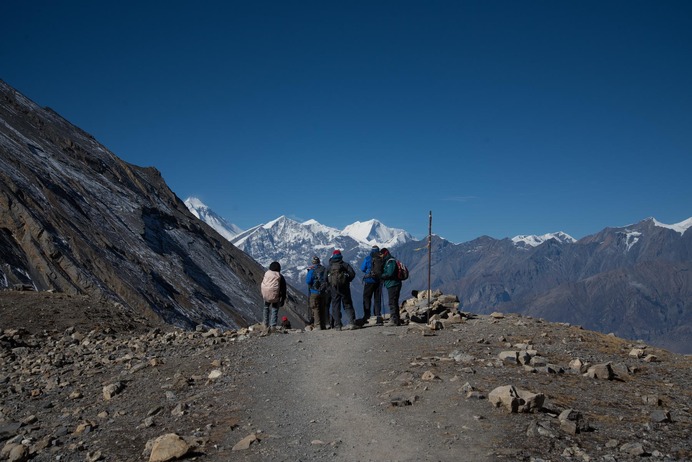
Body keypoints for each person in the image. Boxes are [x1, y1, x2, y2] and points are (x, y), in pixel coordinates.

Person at [327, 249, 357, 330]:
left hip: (334, 289)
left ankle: (338, 325)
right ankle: (352, 322)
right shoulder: (344, 264)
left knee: (336, 306)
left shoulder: (330, 266)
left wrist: (330, 285)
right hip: (345, 288)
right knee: (347, 304)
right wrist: (347, 280)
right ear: (340, 256)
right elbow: (353, 274)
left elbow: (324, 278)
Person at [359, 245, 383, 326]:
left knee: (367, 298)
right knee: (377, 298)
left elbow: (362, 268)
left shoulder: (368, 258)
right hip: (379, 281)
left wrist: (368, 272)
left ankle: (367, 315)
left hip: (369, 281)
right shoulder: (381, 258)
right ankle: (378, 315)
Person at [260, 261, 287, 331]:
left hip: (265, 295)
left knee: (266, 308)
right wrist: (283, 299)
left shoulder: (267, 273)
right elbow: (284, 289)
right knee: (274, 310)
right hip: (275, 296)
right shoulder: (280, 276)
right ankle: (273, 326)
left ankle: (265, 324)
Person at [380, 248, 402, 326]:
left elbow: (390, 273)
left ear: (385, 253)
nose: (381, 256)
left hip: (393, 284)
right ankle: (397, 320)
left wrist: (381, 275)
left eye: (381, 254)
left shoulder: (390, 261)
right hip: (391, 284)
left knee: (392, 302)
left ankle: (394, 319)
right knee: (394, 302)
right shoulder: (388, 261)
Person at [305, 255, 327, 330]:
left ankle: (317, 325)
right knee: (322, 308)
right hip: (323, 291)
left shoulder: (312, 270)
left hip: (314, 292)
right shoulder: (324, 269)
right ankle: (323, 325)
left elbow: (308, 281)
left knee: (315, 308)